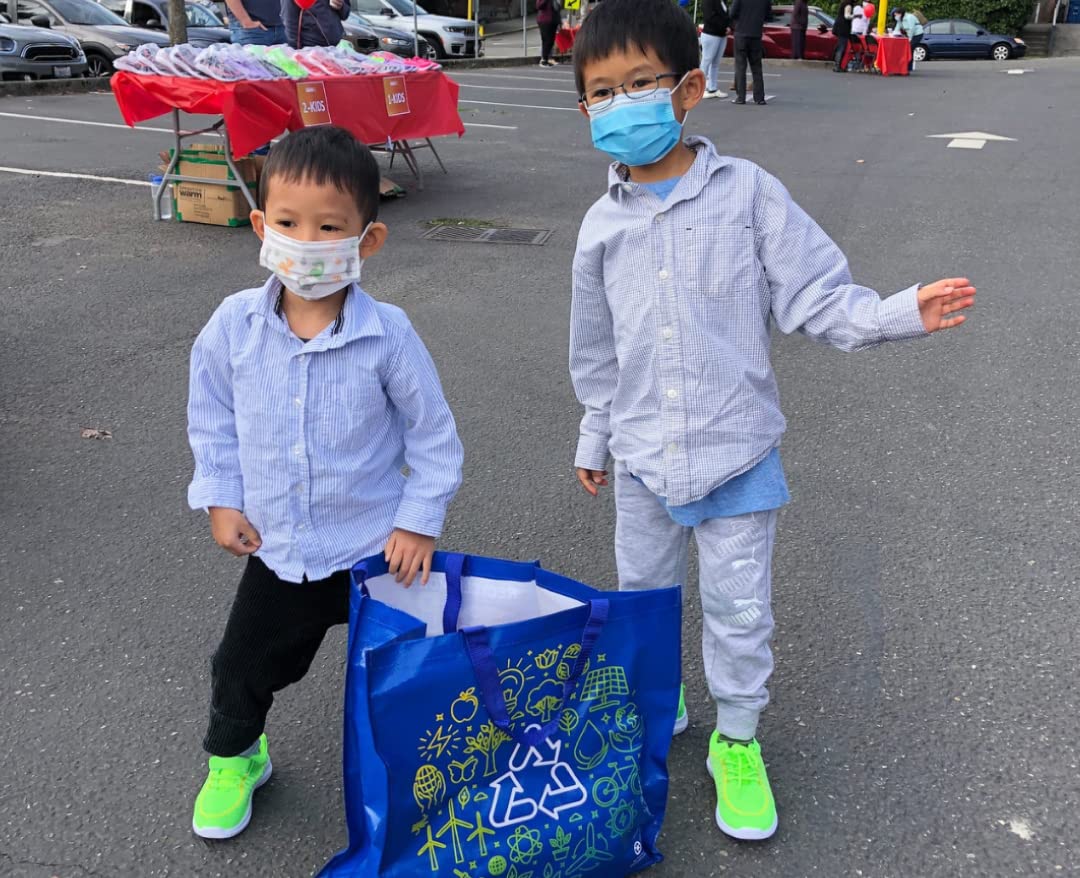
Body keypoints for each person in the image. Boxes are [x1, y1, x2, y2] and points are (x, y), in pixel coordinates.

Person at [570, 0, 975, 841]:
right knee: (643, 597)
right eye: (601, 92)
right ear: (585, 109)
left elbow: (816, 294)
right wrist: (594, 434)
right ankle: (659, 698)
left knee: (740, 612)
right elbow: (596, 347)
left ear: (689, 89)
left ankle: (737, 739)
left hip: (738, 454)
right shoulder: (600, 225)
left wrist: (897, 313)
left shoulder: (748, 194)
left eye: (639, 84)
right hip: (641, 457)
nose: (620, 105)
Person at [186, 126, 463, 841]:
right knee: (241, 665)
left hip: (378, 550)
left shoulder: (388, 335)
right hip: (281, 549)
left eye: (329, 227)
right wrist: (221, 498)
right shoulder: (233, 327)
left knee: (402, 668)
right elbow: (212, 418)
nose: (305, 243)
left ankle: (414, 764)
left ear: (368, 240)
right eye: (288, 222)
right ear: (261, 226)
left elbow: (434, 436)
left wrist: (418, 521)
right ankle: (237, 758)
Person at [728, 0, 770, 104]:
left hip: (741, 34)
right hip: (756, 35)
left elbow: (732, 13)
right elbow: (768, 16)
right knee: (757, 68)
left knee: (740, 67)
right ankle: (759, 98)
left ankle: (741, 97)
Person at [283, 0, 350, 47]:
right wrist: (295, 53)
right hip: (311, 48)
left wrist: (341, 6)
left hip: (337, 47)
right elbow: (290, 21)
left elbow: (345, 14)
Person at [699, 0, 730, 98]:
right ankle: (700, 89)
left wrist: (729, 27)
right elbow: (709, 17)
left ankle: (713, 88)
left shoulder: (723, 1)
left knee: (715, 63)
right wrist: (724, 27)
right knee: (706, 62)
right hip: (710, 34)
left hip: (722, 35)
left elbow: (726, 16)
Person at [893, 7, 923, 71]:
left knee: (910, 48)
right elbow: (897, 27)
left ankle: (909, 67)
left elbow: (911, 28)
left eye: (896, 14)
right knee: (907, 49)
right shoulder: (900, 19)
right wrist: (893, 34)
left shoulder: (909, 17)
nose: (895, 16)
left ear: (900, 13)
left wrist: (910, 38)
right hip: (910, 34)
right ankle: (906, 66)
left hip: (917, 34)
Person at [537, 0, 562, 67]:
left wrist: (559, 22)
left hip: (553, 21)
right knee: (546, 41)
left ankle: (547, 59)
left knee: (551, 41)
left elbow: (558, 9)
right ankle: (544, 59)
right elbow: (539, 6)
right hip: (544, 21)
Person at [832, 0, 854, 70]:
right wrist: (855, 16)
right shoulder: (848, 5)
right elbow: (847, 16)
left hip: (838, 26)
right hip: (843, 28)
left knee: (840, 46)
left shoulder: (843, 3)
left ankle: (837, 65)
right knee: (842, 47)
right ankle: (837, 66)